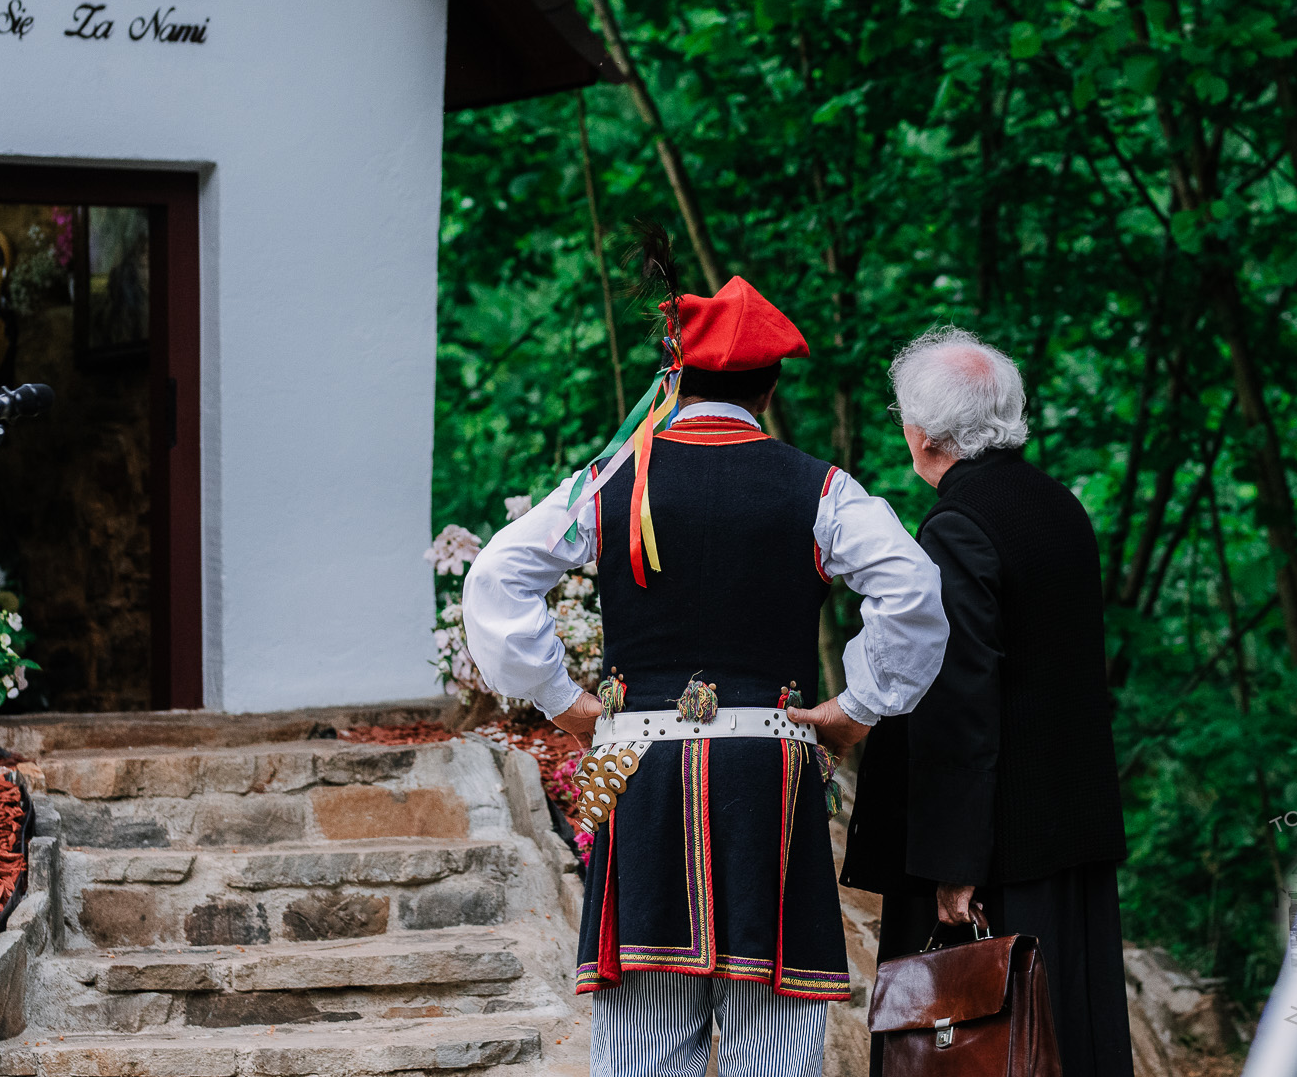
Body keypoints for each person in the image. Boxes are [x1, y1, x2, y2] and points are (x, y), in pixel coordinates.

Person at [464, 268, 947, 1077]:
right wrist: (858, 705)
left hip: (637, 771)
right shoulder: (822, 488)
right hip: (770, 775)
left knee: (646, 1050)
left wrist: (563, 700)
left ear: (675, 378)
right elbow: (913, 589)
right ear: (769, 388)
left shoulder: (610, 480)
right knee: (774, 1048)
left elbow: (494, 577)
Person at [842, 326, 1133, 1077]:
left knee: (985, 1047)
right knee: (1067, 1036)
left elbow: (958, 705)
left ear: (923, 432)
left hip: (998, 848)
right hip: (1067, 830)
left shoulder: (958, 527)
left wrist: (953, 863)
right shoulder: (1058, 505)